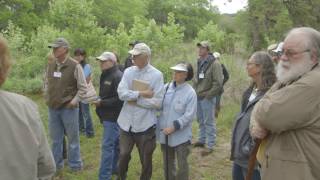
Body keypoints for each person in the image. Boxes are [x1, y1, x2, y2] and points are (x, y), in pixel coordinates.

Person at [250, 27, 320, 180]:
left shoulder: (313, 83)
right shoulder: (293, 75)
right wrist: (257, 120)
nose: (283, 58)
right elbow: (261, 105)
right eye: (283, 52)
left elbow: (268, 114)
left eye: (291, 53)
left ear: (313, 56)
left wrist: (260, 113)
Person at [0, 36, 56, 179]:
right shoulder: (25, 108)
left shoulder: (72, 66)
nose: (53, 53)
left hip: (65, 106)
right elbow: (46, 168)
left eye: (55, 49)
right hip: (52, 104)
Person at [117, 43, 164, 180]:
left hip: (145, 125)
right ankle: (121, 177)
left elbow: (157, 102)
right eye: (133, 55)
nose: (133, 57)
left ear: (146, 57)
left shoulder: (156, 75)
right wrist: (141, 93)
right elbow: (121, 93)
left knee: (146, 159)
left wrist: (134, 99)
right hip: (126, 122)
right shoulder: (128, 72)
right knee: (123, 154)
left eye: (136, 55)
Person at [230, 51, 276, 180]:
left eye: (249, 63)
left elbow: (267, 126)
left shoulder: (271, 94)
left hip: (254, 157)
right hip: (240, 153)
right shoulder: (250, 90)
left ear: (260, 67)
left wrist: (249, 148)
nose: (246, 66)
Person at [46, 37, 88, 171]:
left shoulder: (75, 65)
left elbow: (83, 88)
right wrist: (47, 95)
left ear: (64, 49)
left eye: (56, 48)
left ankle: (75, 165)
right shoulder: (51, 64)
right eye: (53, 48)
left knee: (73, 139)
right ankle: (56, 165)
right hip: (53, 107)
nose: (53, 50)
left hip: (68, 108)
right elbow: (46, 82)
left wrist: (74, 102)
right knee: (56, 139)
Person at [157, 62, 197, 180]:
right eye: (175, 71)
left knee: (182, 165)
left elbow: (189, 116)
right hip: (165, 134)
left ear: (186, 75)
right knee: (168, 164)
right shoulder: (166, 87)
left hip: (182, 137)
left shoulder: (190, 93)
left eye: (179, 72)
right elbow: (159, 105)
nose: (175, 74)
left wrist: (173, 127)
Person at [94, 51, 123, 180]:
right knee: (115, 144)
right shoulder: (104, 74)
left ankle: (104, 176)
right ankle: (114, 169)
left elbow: (120, 99)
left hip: (113, 116)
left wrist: (102, 102)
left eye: (104, 61)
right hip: (107, 115)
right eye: (100, 61)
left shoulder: (118, 76)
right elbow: (106, 94)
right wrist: (98, 98)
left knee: (108, 146)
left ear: (112, 62)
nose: (101, 63)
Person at [193, 41, 223, 156]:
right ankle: (201, 140)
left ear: (207, 49)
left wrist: (209, 95)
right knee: (200, 120)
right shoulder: (199, 61)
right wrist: (195, 89)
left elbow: (218, 83)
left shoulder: (215, 63)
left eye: (202, 48)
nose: (199, 49)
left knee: (209, 122)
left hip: (207, 97)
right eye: (199, 47)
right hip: (198, 96)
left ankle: (210, 145)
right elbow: (197, 77)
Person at [74, 48, 95, 138]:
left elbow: (84, 80)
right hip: (77, 92)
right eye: (76, 55)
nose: (78, 57)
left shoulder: (87, 66)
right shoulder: (75, 65)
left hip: (84, 92)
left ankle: (90, 132)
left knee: (86, 113)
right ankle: (81, 129)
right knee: (78, 112)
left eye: (80, 55)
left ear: (83, 56)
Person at [212, 52, 229, 118]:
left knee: (217, 103)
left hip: (218, 89)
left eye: (216, 58)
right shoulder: (210, 66)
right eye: (214, 58)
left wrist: (221, 83)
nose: (215, 59)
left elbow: (227, 76)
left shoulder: (222, 66)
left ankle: (216, 116)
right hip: (210, 88)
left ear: (218, 58)